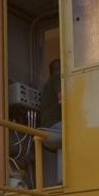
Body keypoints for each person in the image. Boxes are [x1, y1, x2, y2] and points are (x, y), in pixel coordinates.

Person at [36, 58, 63, 187]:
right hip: (54, 125)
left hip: (46, 127)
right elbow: (62, 97)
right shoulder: (57, 78)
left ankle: (62, 178)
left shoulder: (47, 85)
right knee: (77, 131)